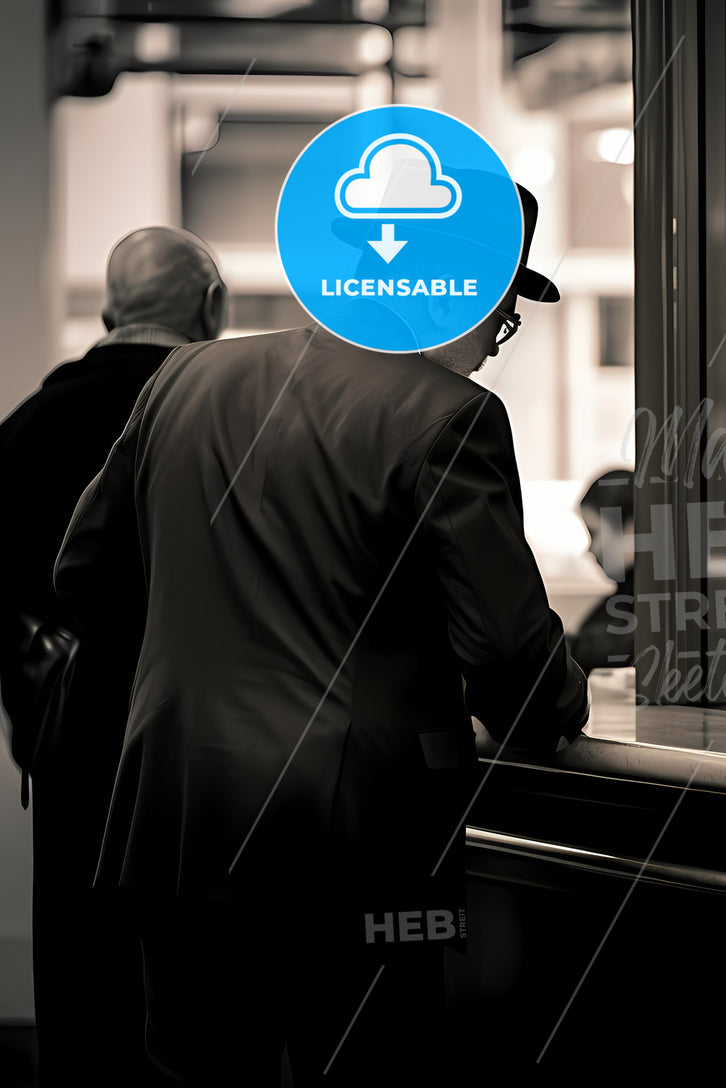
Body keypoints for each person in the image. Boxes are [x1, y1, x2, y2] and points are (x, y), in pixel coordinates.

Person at [53, 184, 588, 1086]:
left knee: (198, 1071)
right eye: (504, 306)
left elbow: (82, 577)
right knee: (370, 1064)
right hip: (357, 853)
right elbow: (507, 656)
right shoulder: (450, 415)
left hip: (173, 822)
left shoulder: (185, 376)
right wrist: (554, 706)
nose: (501, 335)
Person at [0, 225, 226, 1086]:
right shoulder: (231, 414)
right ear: (213, 307)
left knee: (82, 974)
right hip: (212, 745)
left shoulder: (31, 423)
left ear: (107, 310)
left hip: (77, 733)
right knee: (201, 986)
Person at [570, 466, 726, 674]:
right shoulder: (668, 580)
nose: (590, 549)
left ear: (633, 525)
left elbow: (603, 650)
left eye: (594, 532)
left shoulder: (696, 584)